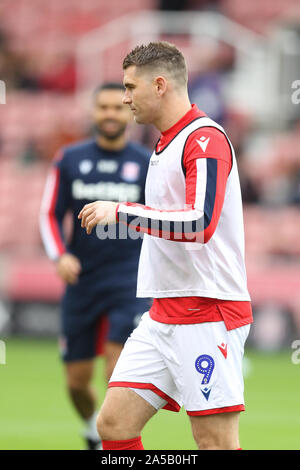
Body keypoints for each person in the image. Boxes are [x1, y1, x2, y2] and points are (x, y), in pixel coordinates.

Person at [79, 42, 253, 450]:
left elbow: (199, 223)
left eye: (130, 87)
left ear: (159, 85)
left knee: (215, 442)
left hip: (208, 311)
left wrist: (121, 212)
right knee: (114, 425)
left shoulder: (204, 138)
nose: (124, 99)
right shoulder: (163, 144)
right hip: (163, 314)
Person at [39, 82, 151, 450]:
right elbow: (49, 215)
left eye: (117, 108)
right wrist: (60, 255)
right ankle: (93, 428)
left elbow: (162, 218)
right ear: (93, 112)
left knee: (116, 372)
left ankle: (114, 440)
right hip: (82, 281)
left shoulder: (146, 162)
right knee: (76, 382)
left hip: (130, 282)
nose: (110, 114)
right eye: (103, 107)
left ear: (128, 112)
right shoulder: (69, 159)